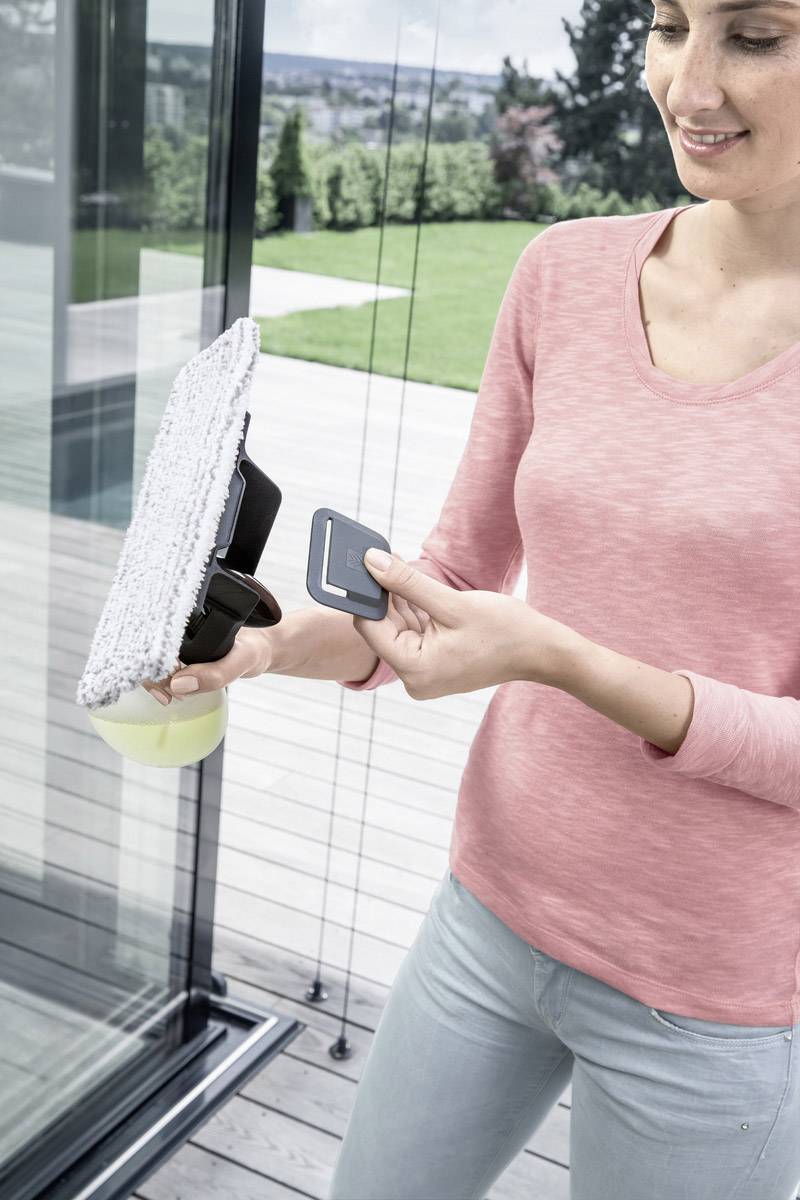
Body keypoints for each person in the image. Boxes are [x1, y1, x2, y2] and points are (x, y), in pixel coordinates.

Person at [147, 1, 800, 1195]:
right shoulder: (563, 274)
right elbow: (449, 579)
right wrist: (270, 647)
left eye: (754, 35)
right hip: (492, 909)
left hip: (708, 999)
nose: (686, 85)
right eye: (666, 23)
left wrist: (552, 657)